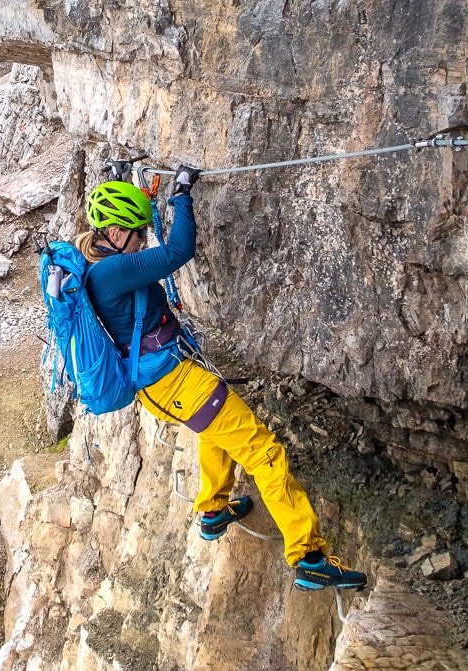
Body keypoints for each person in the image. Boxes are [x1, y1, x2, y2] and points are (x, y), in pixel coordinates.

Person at [74, 168, 366, 591]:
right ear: (115, 232)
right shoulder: (113, 271)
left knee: (213, 430)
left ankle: (213, 509)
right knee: (264, 452)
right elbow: (178, 250)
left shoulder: (96, 262)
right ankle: (309, 556)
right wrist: (182, 193)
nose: (142, 241)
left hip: (166, 383)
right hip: (174, 381)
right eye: (138, 234)